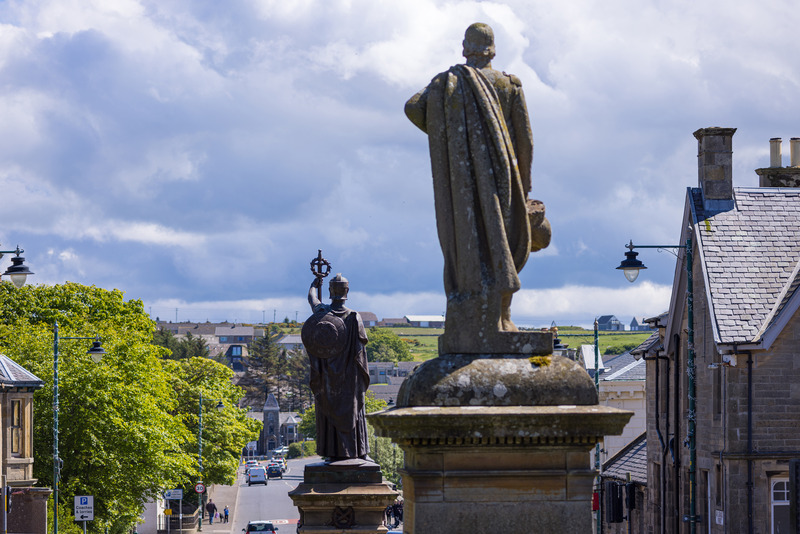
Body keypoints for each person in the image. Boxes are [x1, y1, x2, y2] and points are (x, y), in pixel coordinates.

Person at [405, 23, 542, 347]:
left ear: (465, 48)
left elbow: (412, 107)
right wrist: (525, 184)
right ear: (492, 50)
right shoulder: (509, 85)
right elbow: (526, 142)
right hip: (504, 186)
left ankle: (474, 320)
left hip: (462, 190)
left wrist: (453, 136)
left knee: (467, 246)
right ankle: (502, 319)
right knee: (505, 247)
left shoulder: (447, 83)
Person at [302, 274, 370, 462]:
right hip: (350, 380)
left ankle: (332, 453)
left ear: (331, 291)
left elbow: (312, 299)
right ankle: (360, 452)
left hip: (328, 378)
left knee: (329, 411)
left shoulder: (322, 313)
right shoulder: (354, 317)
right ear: (347, 291)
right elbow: (360, 353)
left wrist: (313, 285)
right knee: (354, 412)